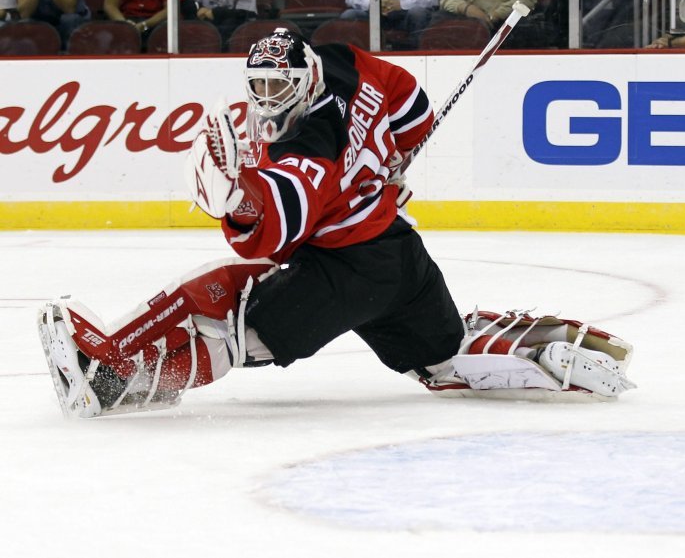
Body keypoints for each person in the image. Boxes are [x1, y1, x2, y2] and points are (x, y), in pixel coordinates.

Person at [37, 28, 635, 418]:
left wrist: (234, 200)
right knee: (443, 356)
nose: (268, 98)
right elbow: (410, 103)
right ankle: (543, 359)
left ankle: (113, 382)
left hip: (345, 271)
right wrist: (392, 160)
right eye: (258, 86)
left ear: (303, 79)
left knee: (231, 312)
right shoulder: (343, 63)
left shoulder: (308, 147)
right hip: (399, 258)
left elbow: (275, 236)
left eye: (277, 86)